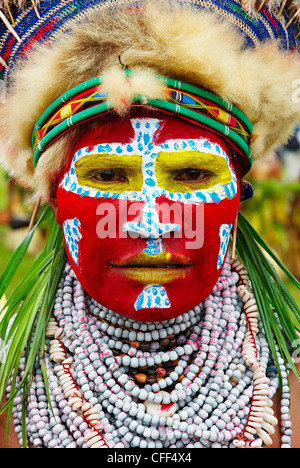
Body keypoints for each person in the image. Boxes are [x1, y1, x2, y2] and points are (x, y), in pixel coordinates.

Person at [0, 0, 300, 449]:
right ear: (55, 199)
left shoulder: (285, 376)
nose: (151, 223)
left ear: (237, 195)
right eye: (106, 175)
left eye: (193, 174)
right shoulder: (10, 375)